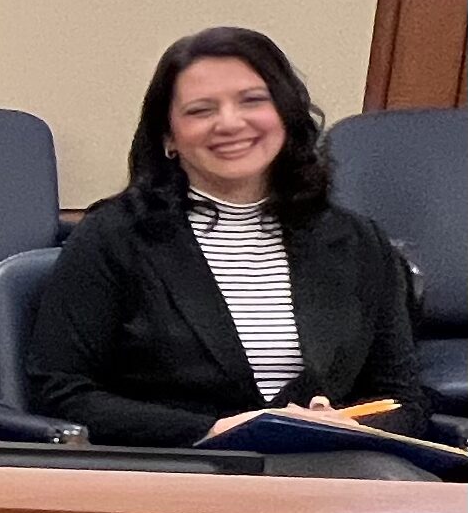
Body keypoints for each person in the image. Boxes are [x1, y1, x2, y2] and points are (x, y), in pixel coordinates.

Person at [28, 26, 428, 447]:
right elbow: (58, 392)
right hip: (178, 465)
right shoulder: (113, 236)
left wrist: (355, 428)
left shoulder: (357, 241)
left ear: (286, 115)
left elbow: (404, 399)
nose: (230, 123)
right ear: (168, 137)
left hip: (328, 466)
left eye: (252, 101)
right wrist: (211, 429)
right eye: (200, 110)